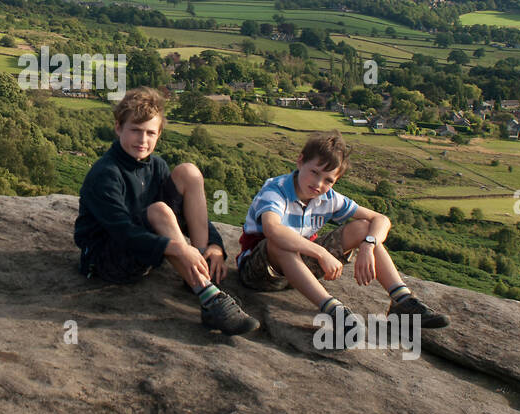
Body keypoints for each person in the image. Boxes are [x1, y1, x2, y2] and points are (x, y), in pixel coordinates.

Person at [73, 86, 258, 337]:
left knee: (188, 172)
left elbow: (185, 213)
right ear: (118, 128)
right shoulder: (106, 174)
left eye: (150, 133)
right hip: (107, 259)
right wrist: (181, 249)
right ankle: (210, 300)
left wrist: (214, 245)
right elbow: (124, 233)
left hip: (147, 248)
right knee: (159, 209)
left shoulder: (156, 165)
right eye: (135, 131)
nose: (143, 140)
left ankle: (199, 265)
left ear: (159, 134)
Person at [236, 130, 448, 344]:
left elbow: (381, 219)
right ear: (300, 161)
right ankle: (334, 310)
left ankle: (402, 300)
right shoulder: (276, 190)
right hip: (261, 272)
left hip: (300, 269)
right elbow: (273, 229)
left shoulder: (327, 198)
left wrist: (368, 245)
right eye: (314, 172)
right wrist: (321, 253)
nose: (318, 184)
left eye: (328, 180)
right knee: (280, 242)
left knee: (363, 228)